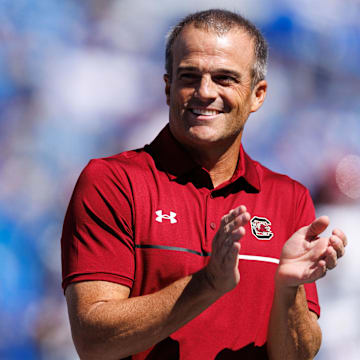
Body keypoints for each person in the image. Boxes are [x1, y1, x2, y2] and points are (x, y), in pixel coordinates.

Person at [61, 9, 347, 360]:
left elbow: (296, 356)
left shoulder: (290, 197)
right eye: (189, 76)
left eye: (225, 78)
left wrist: (288, 290)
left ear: (258, 95)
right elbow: (93, 341)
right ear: (168, 88)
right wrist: (207, 283)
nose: (205, 92)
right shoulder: (113, 182)